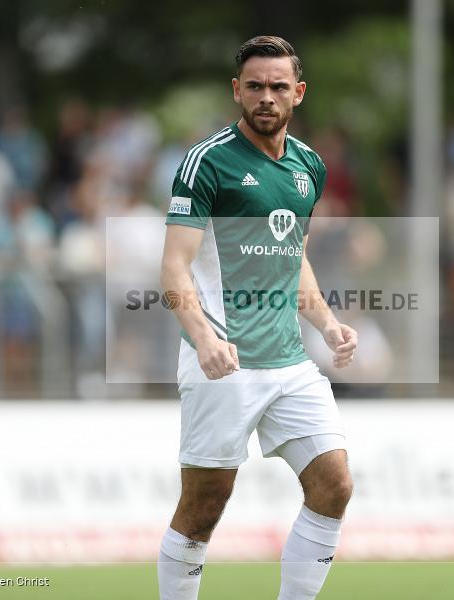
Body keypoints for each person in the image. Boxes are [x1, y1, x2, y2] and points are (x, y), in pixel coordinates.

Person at [157, 36, 357, 600]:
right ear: (236, 91)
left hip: (290, 364)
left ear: (298, 93)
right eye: (254, 86)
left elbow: (292, 256)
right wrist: (203, 339)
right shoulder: (207, 163)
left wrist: (327, 324)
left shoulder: (308, 166)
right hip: (224, 363)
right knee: (203, 507)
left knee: (334, 484)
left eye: (277, 86)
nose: (265, 97)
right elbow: (174, 269)